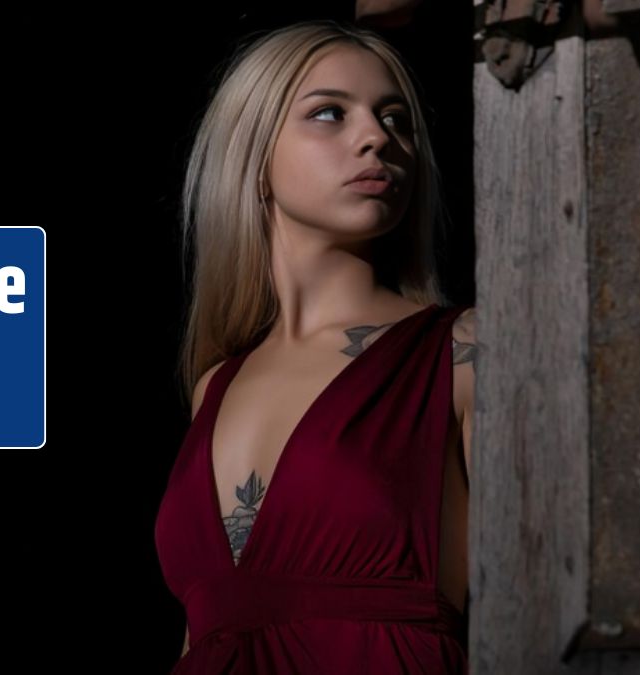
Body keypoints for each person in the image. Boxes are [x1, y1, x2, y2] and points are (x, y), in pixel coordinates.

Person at [153, 20, 476, 673]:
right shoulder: (213, 385)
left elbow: (531, 608)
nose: (377, 137)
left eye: (396, 120)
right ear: (255, 158)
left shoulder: (465, 351)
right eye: (330, 112)